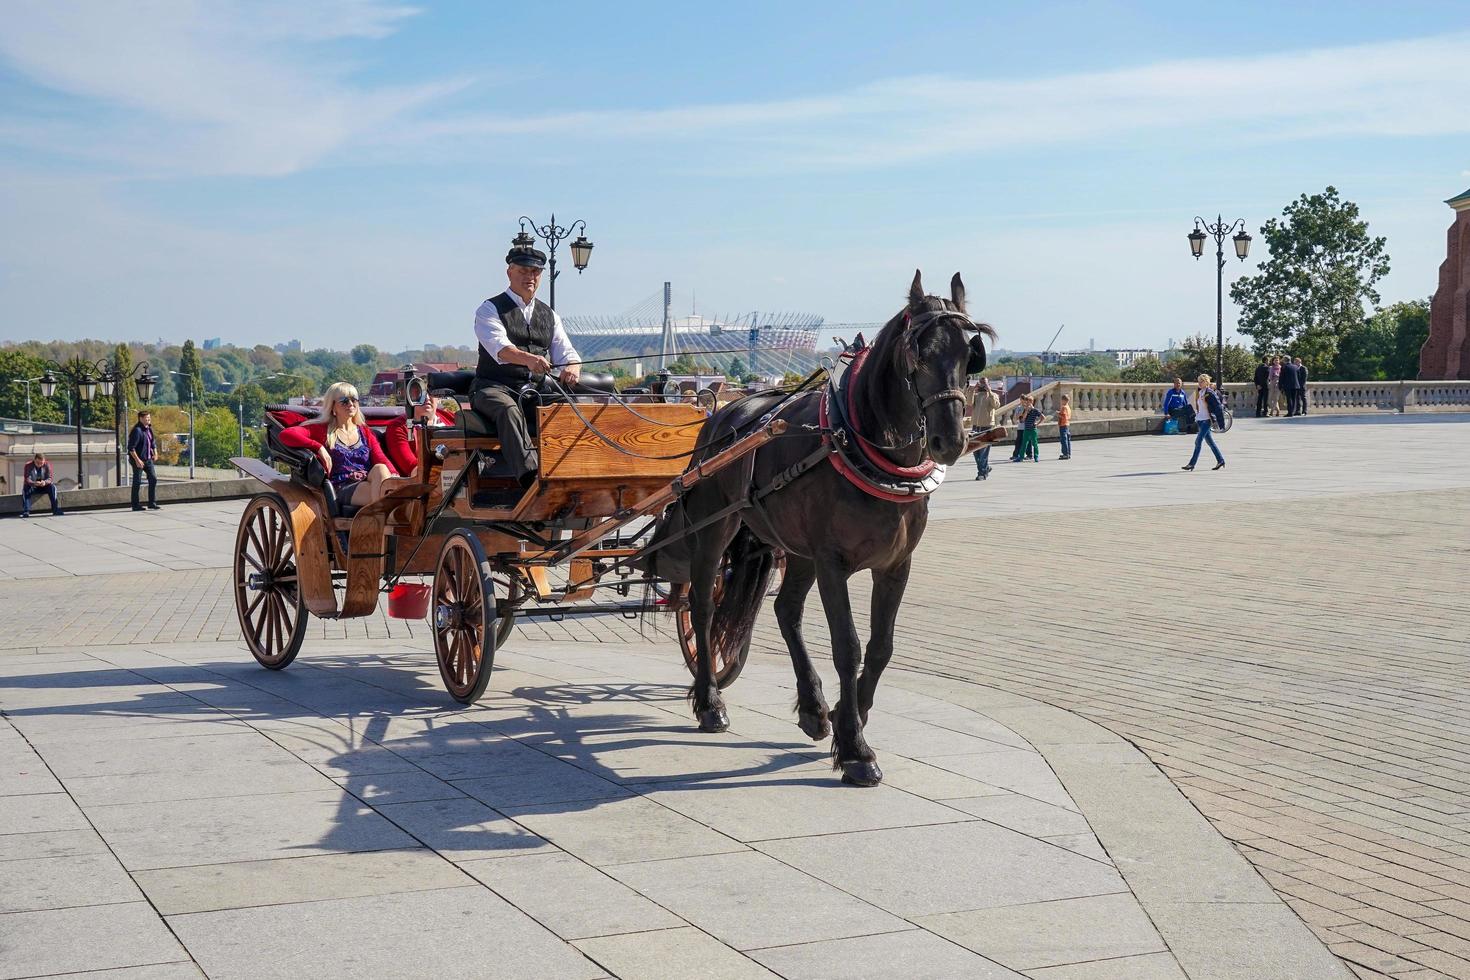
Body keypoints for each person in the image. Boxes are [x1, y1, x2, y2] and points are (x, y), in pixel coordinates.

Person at [471, 244, 590, 486]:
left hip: (533, 390)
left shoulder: (549, 315)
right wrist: (529, 360)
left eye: (535, 272)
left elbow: (566, 351)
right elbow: (501, 349)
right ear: (509, 272)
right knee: (507, 409)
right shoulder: (489, 309)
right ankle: (530, 479)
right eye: (524, 271)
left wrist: (573, 366)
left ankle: (575, 470)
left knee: (572, 407)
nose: (530, 277)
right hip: (493, 388)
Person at [278, 382, 398, 509]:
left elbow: (380, 457)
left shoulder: (364, 431)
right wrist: (319, 447)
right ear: (333, 407)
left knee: (381, 469)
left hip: (367, 480)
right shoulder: (321, 429)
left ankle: (381, 520)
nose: (351, 404)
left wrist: (395, 476)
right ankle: (384, 525)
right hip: (340, 487)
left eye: (354, 400)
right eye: (344, 401)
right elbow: (286, 435)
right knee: (385, 495)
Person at [1182, 374, 1226, 471]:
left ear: (1206, 382)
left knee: (1198, 441)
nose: (1199, 383)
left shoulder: (1210, 393)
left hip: (1207, 420)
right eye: (1199, 381)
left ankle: (1191, 464)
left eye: (1201, 381)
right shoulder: (1201, 392)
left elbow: (1218, 407)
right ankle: (1221, 460)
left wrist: (1221, 423)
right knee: (1210, 442)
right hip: (1200, 420)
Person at [127, 410, 160, 511]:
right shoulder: (137, 430)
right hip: (138, 460)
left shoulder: (149, 429)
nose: (149, 420)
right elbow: (131, 448)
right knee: (137, 482)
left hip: (148, 459)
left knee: (153, 479)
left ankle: (152, 503)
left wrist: (156, 453)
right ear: (141, 419)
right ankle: (135, 505)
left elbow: (152, 443)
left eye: (149, 418)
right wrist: (137, 460)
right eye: (147, 418)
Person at [970, 381, 1001, 479]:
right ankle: (985, 468)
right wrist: (972, 390)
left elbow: (996, 405)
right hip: (975, 426)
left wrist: (990, 391)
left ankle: (982, 473)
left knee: (983, 451)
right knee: (975, 450)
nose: (982, 385)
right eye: (981, 383)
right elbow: (969, 403)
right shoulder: (976, 395)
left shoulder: (993, 395)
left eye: (985, 383)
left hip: (987, 426)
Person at [21, 453, 62, 517]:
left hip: (44, 486)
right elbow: (27, 479)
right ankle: (26, 511)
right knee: (26, 488)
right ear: (34, 460)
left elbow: (50, 478)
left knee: (52, 487)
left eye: (41, 463)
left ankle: (55, 509)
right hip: (33, 486)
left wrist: (44, 482)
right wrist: (34, 483)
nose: (39, 465)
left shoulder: (47, 465)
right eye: (37, 463)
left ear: (44, 461)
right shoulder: (28, 465)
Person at [1017, 395, 1044, 462]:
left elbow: (1043, 417)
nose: (1027, 403)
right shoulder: (1025, 410)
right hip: (1026, 429)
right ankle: (1021, 457)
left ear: (1032, 402)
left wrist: (1037, 423)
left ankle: (1036, 456)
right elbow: (1022, 420)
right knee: (1024, 443)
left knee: (1034, 443)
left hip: (1033, 429)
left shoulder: (1035, 410)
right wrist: (1026, 411)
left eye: (1028, 402)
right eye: (1027, 402)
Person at [1056, 394, 1072, 460]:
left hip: (1063, 424)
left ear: (1064, 400)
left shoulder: (1064, 407)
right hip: (1067, 424)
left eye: (1062, 400)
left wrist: (1058, 414)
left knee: (1063, 440)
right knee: (1067, 439)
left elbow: (1063, 416)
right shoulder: (1068, 407)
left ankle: (1065, 454)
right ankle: (1068, 453)